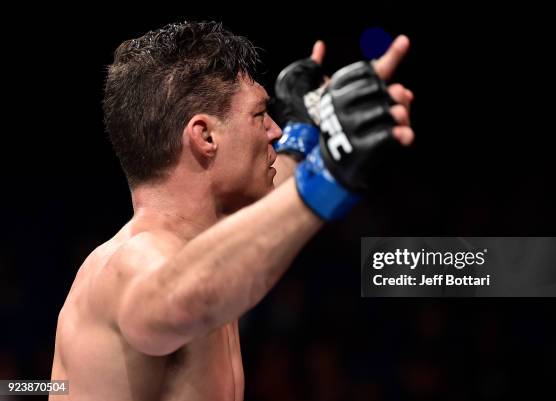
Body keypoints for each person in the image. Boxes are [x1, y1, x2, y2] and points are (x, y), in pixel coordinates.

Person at [50, 20, 414, 400]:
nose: (275, 131)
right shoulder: (136, 260)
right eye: (260, 116)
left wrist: (309, 133)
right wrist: (328, 175)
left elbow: (275, 188)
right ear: (205, 136)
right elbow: (181, 297)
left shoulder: (202, 242)